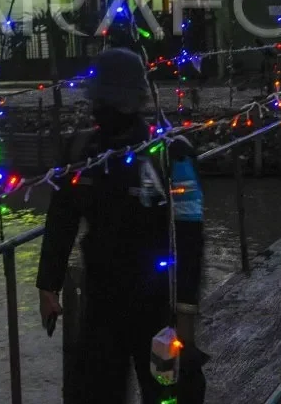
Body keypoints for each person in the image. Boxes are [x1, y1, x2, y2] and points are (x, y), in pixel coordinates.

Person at [36, 47, 206, 404]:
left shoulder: (171, 153)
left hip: (159, 300)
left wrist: (187, 312)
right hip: (101, 298)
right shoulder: (83, 151)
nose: (106, 110)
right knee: (94, 392)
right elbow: (62, 217)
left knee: (169, 392)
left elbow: (190, 235)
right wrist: (47, 285)